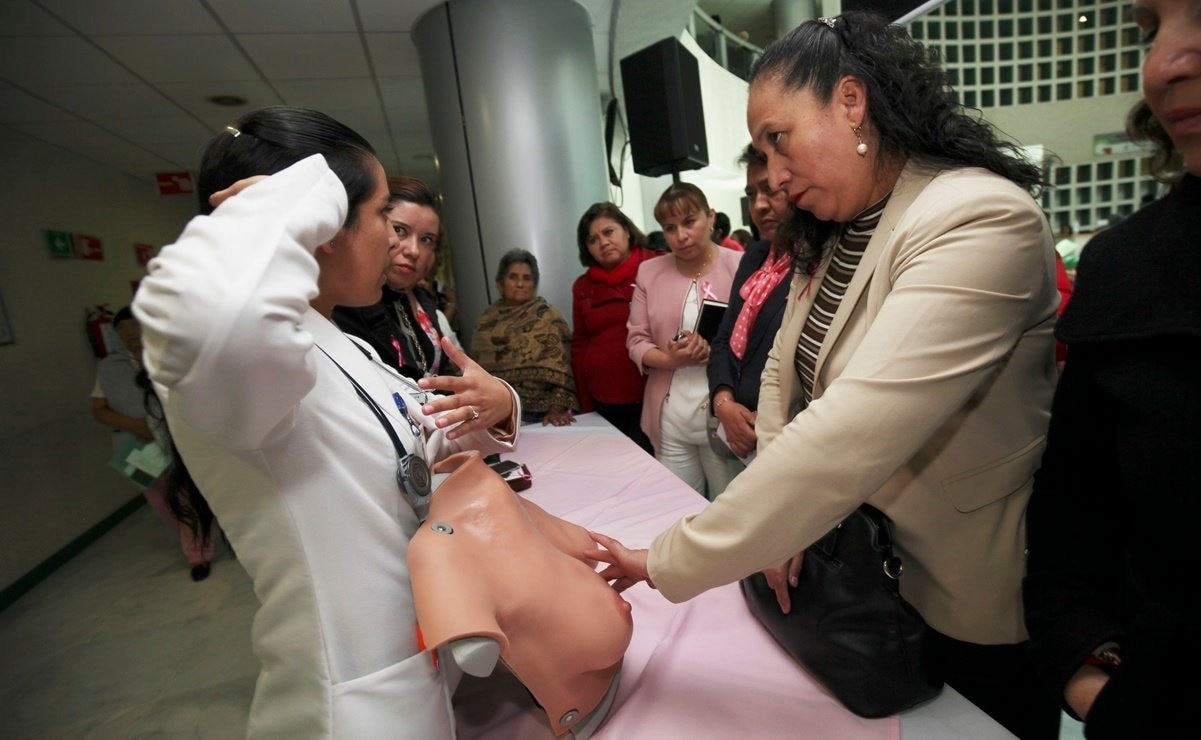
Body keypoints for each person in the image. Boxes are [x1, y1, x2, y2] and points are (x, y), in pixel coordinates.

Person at [589, 13, 1061, 739]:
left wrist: (666, 559)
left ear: (850, 102)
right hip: (855, 577)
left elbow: (850, 429)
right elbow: (781, 380)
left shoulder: (976, 216)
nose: (771, 175)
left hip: (954, 590)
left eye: (778, 139)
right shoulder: (831, 236)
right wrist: (785, 530)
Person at [132, 106, 520, 738]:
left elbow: (415, 444)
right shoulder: (248, 359)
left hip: (415, 659)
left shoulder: (338, 339)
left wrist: (499, 402)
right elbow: (214, 312)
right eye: (379, 217)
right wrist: (288, 200)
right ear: (323, 225)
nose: (397, 244)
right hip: (353, 703)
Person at [1023, 2, 1199, 735]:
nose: (1162, 64)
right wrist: (1087, 675)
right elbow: (1074, 510)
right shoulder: (1126, 264)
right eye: (1148, 29)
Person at [627, 182, 743, 500]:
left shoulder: (738, 265)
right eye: (670, 227)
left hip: (721, 411)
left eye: (689, 221)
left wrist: (716, 351)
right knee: (678, 506)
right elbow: (636, 339)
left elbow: (752, 338)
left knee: (727, 508)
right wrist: (671, 359)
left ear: (710, 217)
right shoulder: (649, 272)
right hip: (670, 415)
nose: (681, 235)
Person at [91, 306, 217, 581]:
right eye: (121, 327)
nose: (128, 332)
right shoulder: (108, 366)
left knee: (184, 495)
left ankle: (198, 553)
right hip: (132, 445)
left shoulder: (166, 356)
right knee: (158, 499)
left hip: (172, 438)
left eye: (133, 324)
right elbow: (98, 409)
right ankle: (192, 542)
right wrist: (134, 425)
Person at [707, 143, 793, 464]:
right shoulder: (756, 256)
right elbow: (723, 338)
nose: (758, 205)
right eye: (751, 193)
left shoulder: (815, 262)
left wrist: (764, 420)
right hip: (736, 425)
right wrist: (724, 402)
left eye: (770, 190)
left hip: (781, 435)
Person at [333, 176, 459, 380]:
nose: (414, 251)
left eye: (426, 240)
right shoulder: (349, 303)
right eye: (400, 230)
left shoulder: (423, 303)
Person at [571, 202, 656, 453]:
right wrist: (586, 405)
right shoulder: (582, 286)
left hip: (654, 395)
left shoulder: (657, 267)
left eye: (608, 232)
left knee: (659, 474)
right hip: (604, 401)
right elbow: (579, 345)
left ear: (627, 230)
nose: (603, 243)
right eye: (593, 239)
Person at [471, 248, 578, 426]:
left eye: (527, 278)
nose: (520, 284)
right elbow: (477, 373)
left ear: (534, 285)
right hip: (497, 416)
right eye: (513, 277)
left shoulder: (548, 316)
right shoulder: (486, 320)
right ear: (500, 284)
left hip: (543, 417)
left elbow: (566, 371)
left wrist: (556, 410)